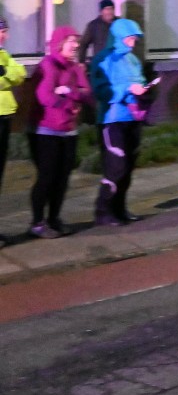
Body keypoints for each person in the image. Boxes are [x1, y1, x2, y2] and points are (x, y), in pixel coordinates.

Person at [29, 27, 92, 238]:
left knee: (63, 178)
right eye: (71, 41)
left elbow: (87, 94)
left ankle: (54, 219)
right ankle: (38, 222)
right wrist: (69, 103)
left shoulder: (75, 67)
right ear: (59, 43)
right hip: (46, 130)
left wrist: (68, 92)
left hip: (69, 130)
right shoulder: (48, 65)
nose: (76, 46)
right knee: (46, 177)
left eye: (76, 42)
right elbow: (44, 96)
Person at [89, 18, 151, 226]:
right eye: (130, 38)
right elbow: (101, 91)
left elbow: (139, 81)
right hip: (111, 120)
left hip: (131, 118)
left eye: (134, 39)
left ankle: (119, 208)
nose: (133, 42)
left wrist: (142, 91)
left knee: (129, 167)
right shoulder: (102, 60)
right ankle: (102, 210)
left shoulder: (133, 60)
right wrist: (126, 90)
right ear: (119, 37)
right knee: (116, 167)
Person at [0, 16, 27, 247]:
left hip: (5, 116)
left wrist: (4, 73)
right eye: (1, 31)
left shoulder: (4, 55)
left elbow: (19, 74)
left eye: (6, 31)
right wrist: (6, 75)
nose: (4, 36)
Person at [78, 0, 117, 64]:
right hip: (100, 63)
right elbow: (83, 44)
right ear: (101, 11)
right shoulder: (93, 26)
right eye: (107, 9)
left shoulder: (119, 23)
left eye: (111, 9)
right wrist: (81, 62)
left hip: (117, 63)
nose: (110, 12)